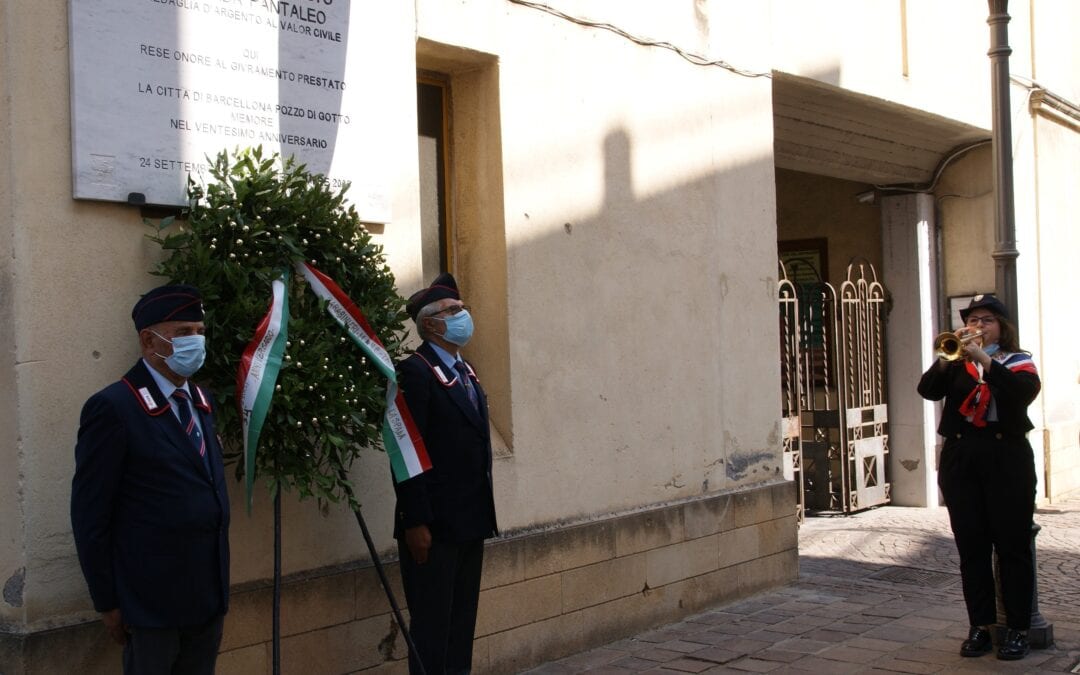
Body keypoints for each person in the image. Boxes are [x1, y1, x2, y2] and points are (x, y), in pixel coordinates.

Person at [71, 284, 230, 674]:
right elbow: (90, 515)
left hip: (207, 596)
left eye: (199, 331)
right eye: (183, 333)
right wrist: (107, 601)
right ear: (149, 340)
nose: (196, 342)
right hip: (150, 603)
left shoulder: (200, 401)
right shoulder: (114, 408)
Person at [918, 293, 1040, 661]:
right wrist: (944, 359)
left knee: (1012, 547)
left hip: (1007, 459)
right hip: (963, 458)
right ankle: (980, 626)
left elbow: (1020, 395)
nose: (977, 327)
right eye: (973, 320)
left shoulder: (1020, 363)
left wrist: (985, 359)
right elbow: (927, 391)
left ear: (1003, 327)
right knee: (972, 549)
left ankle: (1017, 628)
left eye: (986, 320)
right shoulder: (957, 362)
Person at [394, 273, 498, 675]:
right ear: (432, 324)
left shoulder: (465, 370)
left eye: (462, 308)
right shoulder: (415, 373)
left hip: (470, 522)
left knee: (460, 626)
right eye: (453, 311)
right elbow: (405, 452)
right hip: (433, 528)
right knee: (432, 630)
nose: (463, 315)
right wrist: (415, 520)